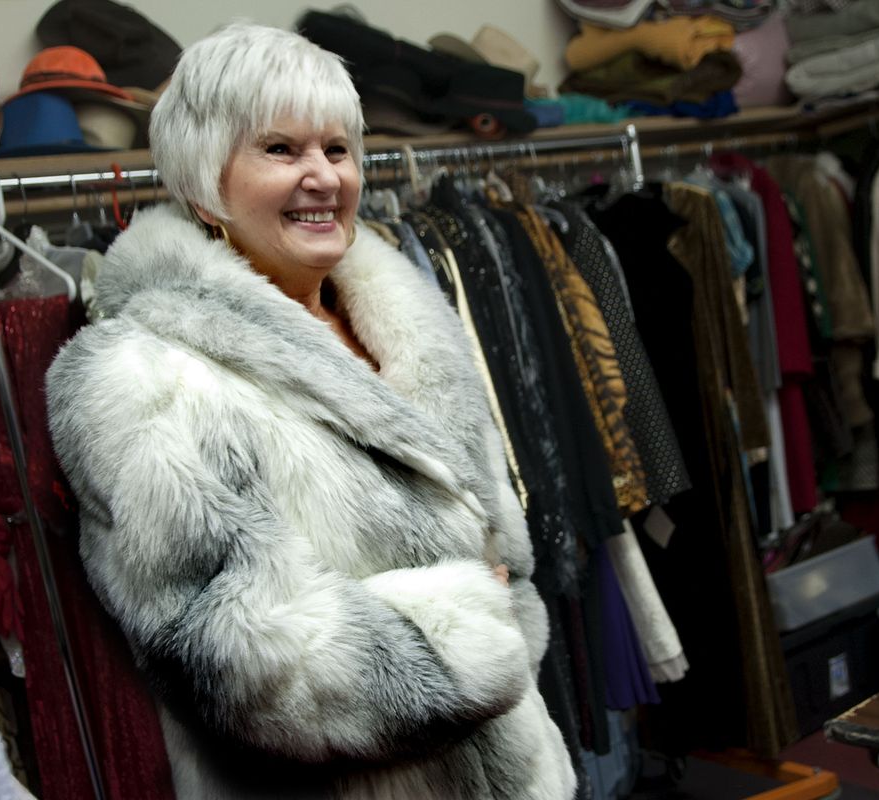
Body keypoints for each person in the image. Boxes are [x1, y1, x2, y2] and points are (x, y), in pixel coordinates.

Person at [46, 22, 576, 800]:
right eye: (280, 150)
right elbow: (238, 656)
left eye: (337, 148)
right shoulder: (143, 375)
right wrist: (476, 627)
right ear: (203, 181)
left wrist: (501, 608)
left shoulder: (402, 323)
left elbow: (501, 547)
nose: (324, 177)